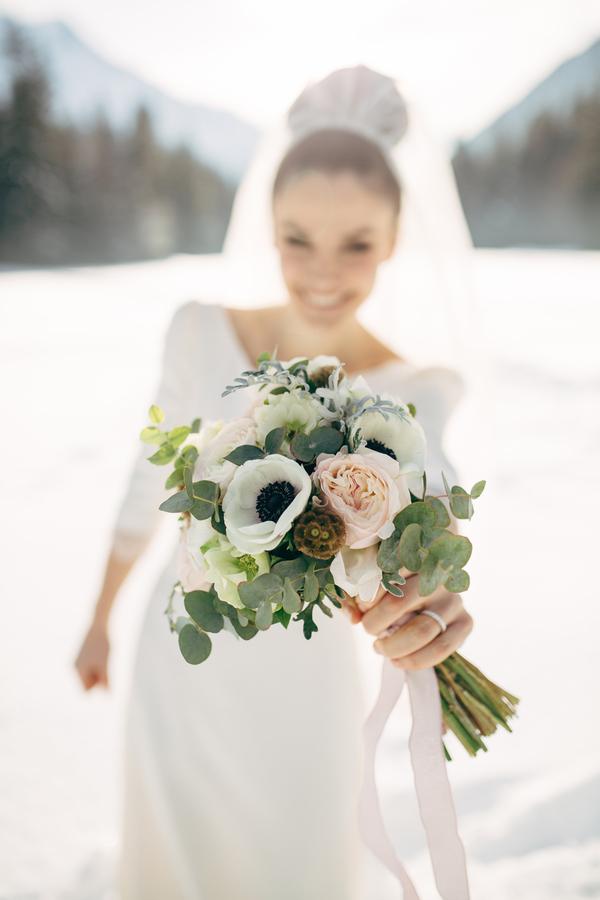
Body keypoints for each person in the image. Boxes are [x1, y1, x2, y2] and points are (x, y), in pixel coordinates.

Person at [74, 65, 475, 899]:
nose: (322, 270)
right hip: (182, 658)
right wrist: (100, 619)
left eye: (357, 243)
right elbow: (144, 487)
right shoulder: (198, 333)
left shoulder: (414, 389)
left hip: (307, 681)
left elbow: (436, 519)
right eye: (299, 238)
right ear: (269, 226)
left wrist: (431, 602)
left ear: (395, 240)